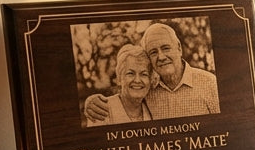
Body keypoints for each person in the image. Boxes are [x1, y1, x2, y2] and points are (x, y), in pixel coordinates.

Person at [84, 22, 220, 122]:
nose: (161, 57)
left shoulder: (209, 84)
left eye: (165, 48)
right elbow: (125, 96)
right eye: (153, 52)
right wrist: (91, 102)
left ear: (178, 48)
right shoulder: (148, 88)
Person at [87, 44, 154, 125]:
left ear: (150, 80)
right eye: (130, 73)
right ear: (119, 78)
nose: (137, 80)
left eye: (144, 74)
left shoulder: (152, 108)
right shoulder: (101, 110)